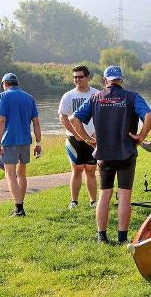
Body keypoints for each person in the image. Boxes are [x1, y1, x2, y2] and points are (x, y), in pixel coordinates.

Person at [70, 65, 151, 244]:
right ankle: (122, 238)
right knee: (124, 195)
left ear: (105, 80)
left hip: (104, 154)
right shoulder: (132, 97)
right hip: (126, 153)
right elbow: (149, 116)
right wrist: (141, 137)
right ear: (121, 80)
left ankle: (102, 237)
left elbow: (73, 119)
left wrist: (86, 139)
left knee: (104, 195)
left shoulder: (95, 98)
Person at [0, 73, 42, 217]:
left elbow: (1, 121)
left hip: (9, 140)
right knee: (21, 174)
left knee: (10, 174)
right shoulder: (29, 98)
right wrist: (38, 143)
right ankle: (20, 205)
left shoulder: (3, 96)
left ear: (5, 84)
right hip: (25, 140)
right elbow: (36, 122)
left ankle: (19, 208)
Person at [58, 65, 99, 209]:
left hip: (93, 139)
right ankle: (74, 201)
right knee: (77, 170)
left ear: (87, 77)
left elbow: (104, 116)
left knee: (91, 170)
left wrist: (97, 133)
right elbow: (63, 117)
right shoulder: (68, 95)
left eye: (80, 77)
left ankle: (93, 201)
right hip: (73, 139)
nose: (77, 79)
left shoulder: (97, 94)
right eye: (75, 77)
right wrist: (76, 134)